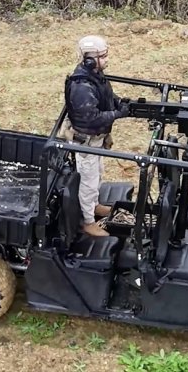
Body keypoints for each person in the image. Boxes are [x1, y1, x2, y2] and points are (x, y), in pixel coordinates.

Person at [64, 35, 129, 237]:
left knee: (97, 176)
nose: (106, 60)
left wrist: (119, 103)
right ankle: (88, 221)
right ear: (89, 59)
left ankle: (93, 206)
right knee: (88, 182)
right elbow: (91, 117)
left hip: (97, 140)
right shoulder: (82, 86)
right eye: (102, 56)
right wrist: (118, 114)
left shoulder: (96, 76)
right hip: (86, 141)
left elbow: (106, 96)